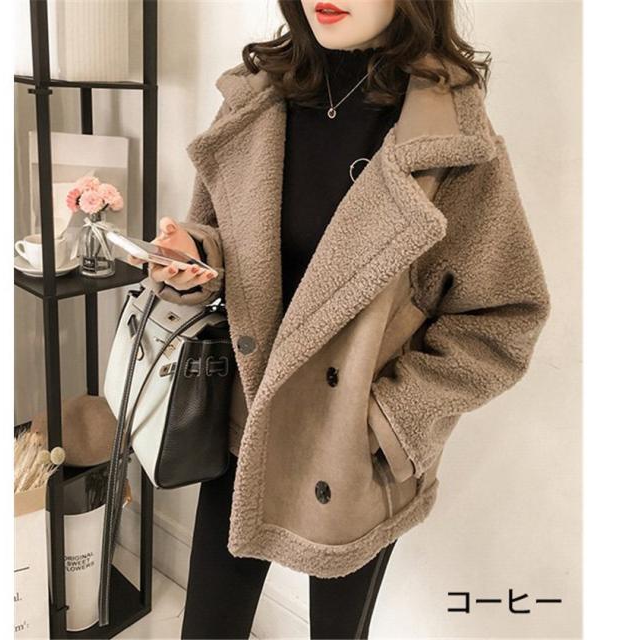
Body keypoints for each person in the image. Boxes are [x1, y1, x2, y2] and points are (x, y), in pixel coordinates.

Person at [130, 1, 551, 638]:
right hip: (246, 422)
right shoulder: (257, 99)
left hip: (352, 452)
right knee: (208, 626)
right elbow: (222, 240)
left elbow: (504, 314)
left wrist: (386, 422)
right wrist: (194, 257)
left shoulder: (447, 136)